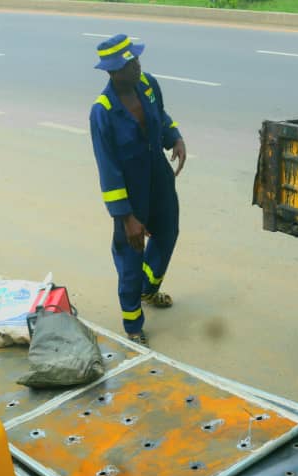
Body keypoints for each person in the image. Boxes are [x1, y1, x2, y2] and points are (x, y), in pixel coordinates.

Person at [89, 34, 187, 347]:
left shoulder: (147, 84)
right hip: (130, 195)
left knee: (168, 232)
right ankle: (132, 323)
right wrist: (126, 216)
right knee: (130, 257)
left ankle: (149, 288)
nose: (138, 66)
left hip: (159, 178)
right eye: (131, 63)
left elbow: (161, 116)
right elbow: (108, 168)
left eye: (137, 59)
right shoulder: (103, 111)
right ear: (114, 71)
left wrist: (175, 137)